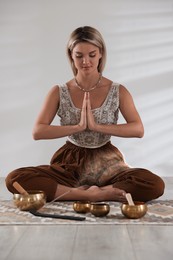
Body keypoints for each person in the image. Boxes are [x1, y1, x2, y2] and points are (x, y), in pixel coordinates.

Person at [6, 26, 165, 203]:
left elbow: (138, 129)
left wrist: (97, 127)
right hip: (70, 163)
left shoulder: (118, 90)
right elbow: (38, 131)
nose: (85, 61)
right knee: (14, 178)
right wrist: (77, 127)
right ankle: (88, 195)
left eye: (92, 54)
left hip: (108, 164)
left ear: (101, 54)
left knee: (155, 184)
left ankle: (95, 191)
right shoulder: (59, 91)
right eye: (79, 55)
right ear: (71, 56)